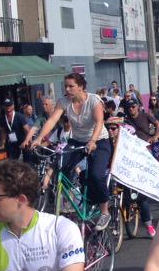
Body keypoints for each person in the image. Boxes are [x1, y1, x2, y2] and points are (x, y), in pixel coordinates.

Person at [31, 73, 112, 230]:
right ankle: (71, 203)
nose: (67, 89)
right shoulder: (64, 102)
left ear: (81, 87)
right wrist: (39, 138)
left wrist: (93, 141)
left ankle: (104, 211)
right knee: (60, 166)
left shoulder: (93, 100)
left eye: (70, 86)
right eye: (65, 86)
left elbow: (99, 121)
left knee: (96, 174)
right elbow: (52, 120)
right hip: (77, 141)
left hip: (99, 141)